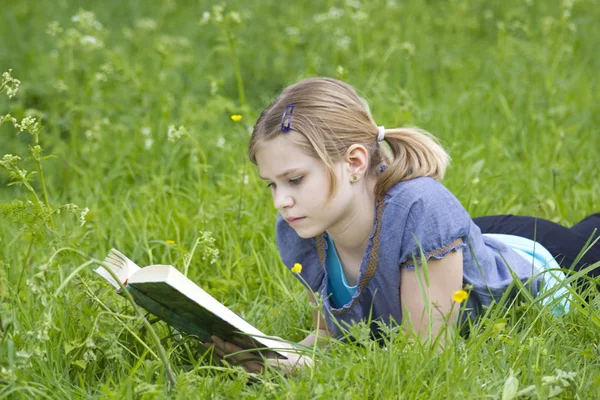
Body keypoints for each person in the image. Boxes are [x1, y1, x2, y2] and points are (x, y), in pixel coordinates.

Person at [209, 77, 599, 372]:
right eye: (271, 185)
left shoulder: (421, 209)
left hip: (548, 262)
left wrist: (309, 371)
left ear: (355, 163)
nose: (282, 201)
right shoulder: (302, 228)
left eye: (294, 180)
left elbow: (426, 356)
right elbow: (329, 334)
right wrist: (279, 356)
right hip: (442, 248)